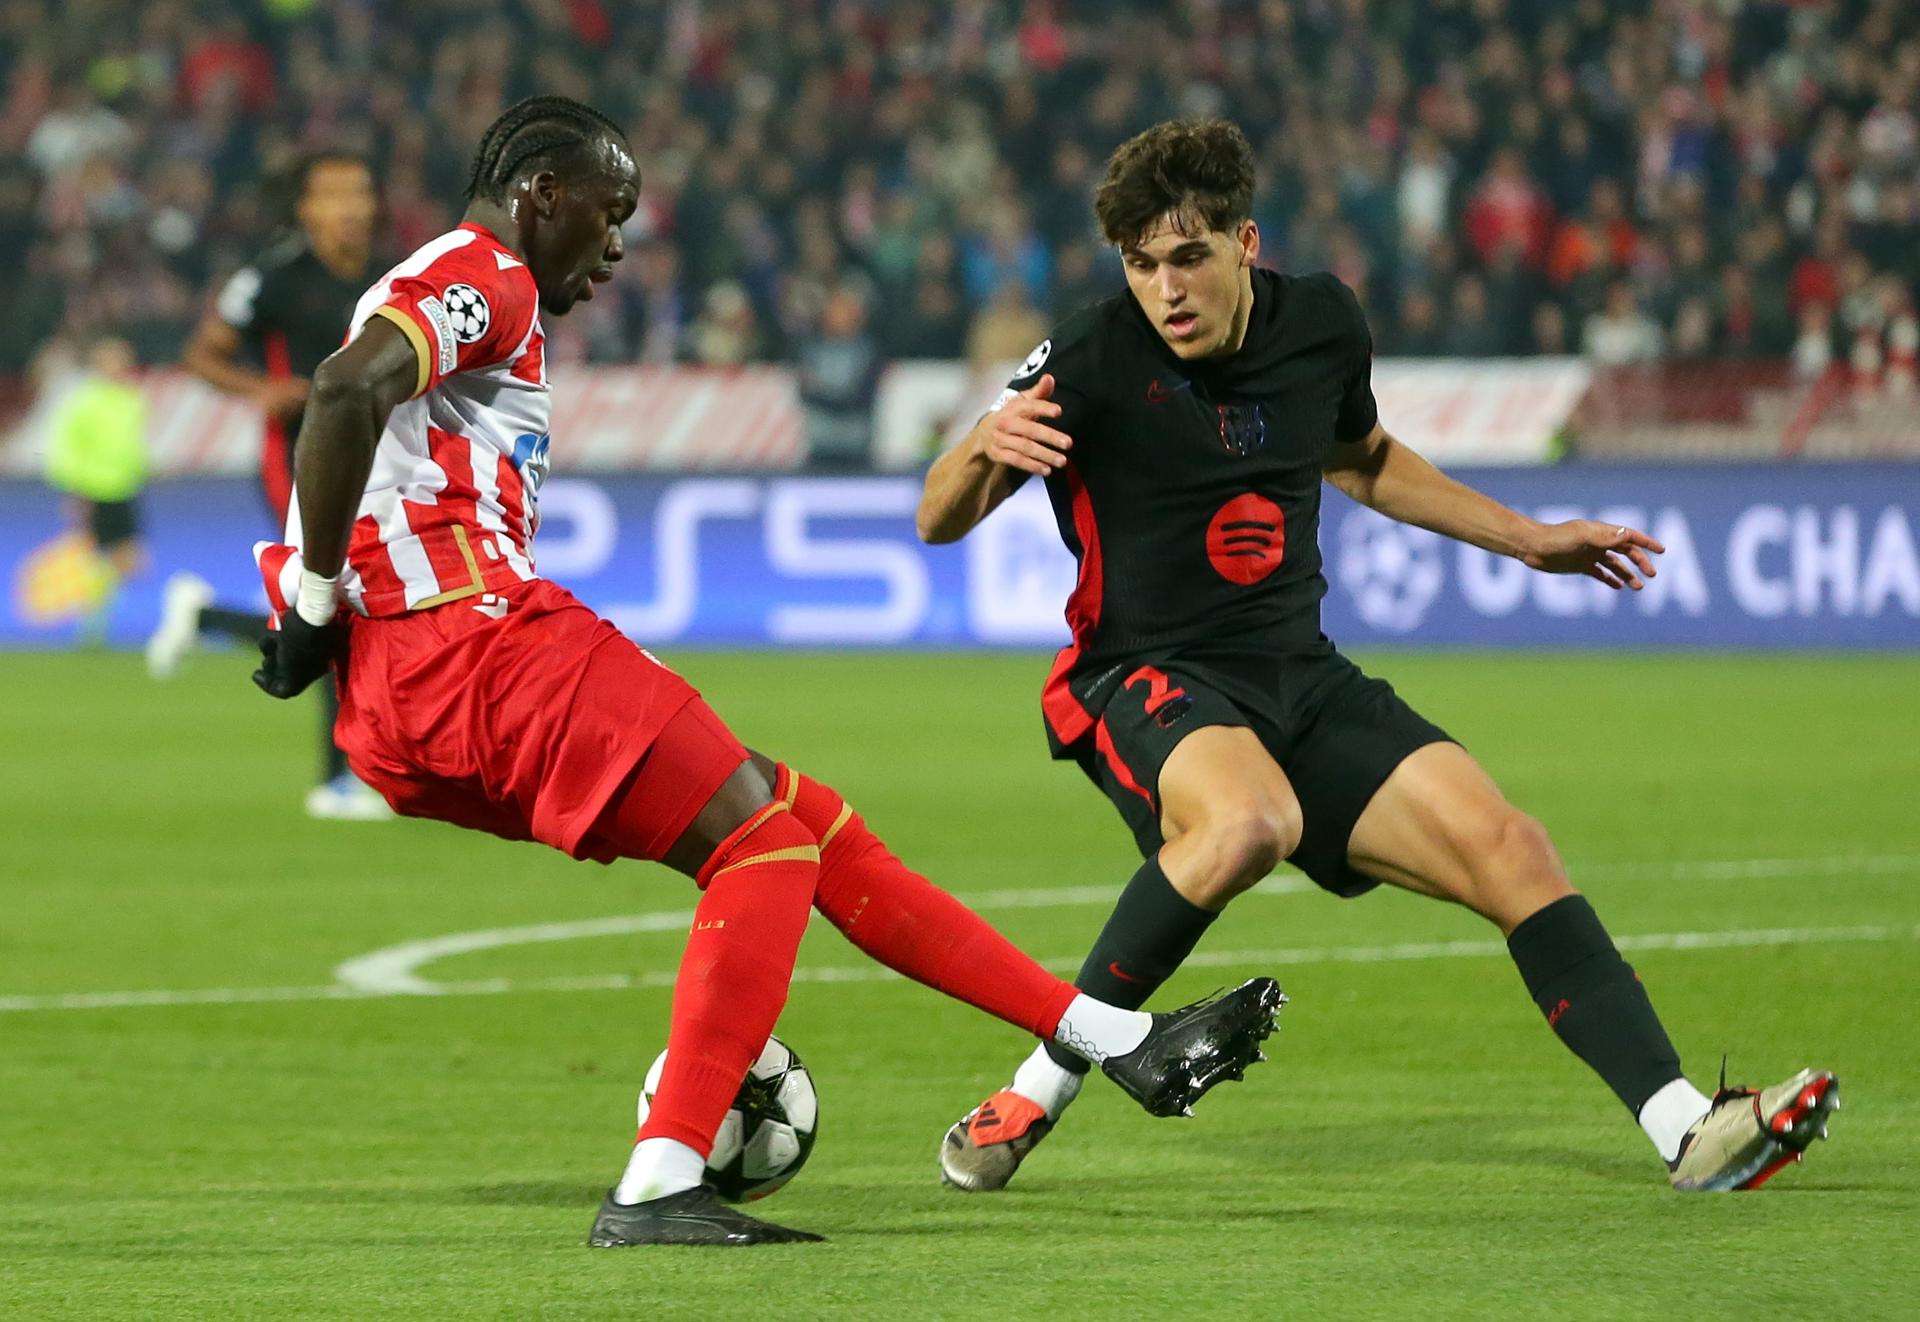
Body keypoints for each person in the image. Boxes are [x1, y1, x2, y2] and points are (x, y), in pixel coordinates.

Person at [248, 96, 1285, 1248]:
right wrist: (311, 597)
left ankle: (1109, 1038)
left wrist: (319, 609)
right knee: (764, 841)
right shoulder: (483, 272)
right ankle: (660, 1177)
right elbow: (344, 390)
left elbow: (364, 430)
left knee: (808, 818)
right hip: (476, 642)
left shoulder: (483, 291)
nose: (619, 246)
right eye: (611, 213)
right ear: (544, 196)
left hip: (418, 680)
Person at [917, 118, 1837, 1197]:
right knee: (1250, 821)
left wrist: (1529, 536)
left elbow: (1365, 460)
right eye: (1141, 263)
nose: (1164, 289)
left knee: (1512, 845)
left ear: (1245, 242)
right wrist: (982, 444)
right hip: (1143, 673)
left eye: (1188, 257)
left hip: (1298, 674)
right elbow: (938, 517)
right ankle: (1047, 1077)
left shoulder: (1322, 325)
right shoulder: (1089, 355)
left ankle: (1689, 1129)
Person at [146, 151, 386, 821]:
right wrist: (263, 389)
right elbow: (202, 353)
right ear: (306, 209)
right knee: (331, 602)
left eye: (360, 191)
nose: (351, 207)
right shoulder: (273, 278)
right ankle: (338, 780)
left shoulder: (393, 276)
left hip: (378, 464)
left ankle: (205, 618)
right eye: (334, 195)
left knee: (355, 612)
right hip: (299, 462)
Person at [45, 335, 147, 639]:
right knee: (101, 554)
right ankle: (93, 620)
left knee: (129, 562)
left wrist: (144, 469)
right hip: (93, 489)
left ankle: (95, 611)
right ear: (98, 364)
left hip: (124, 488)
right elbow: (67, 447)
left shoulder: (131, 399)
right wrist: (72, 489)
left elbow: (131, 445)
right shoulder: (85, 401)